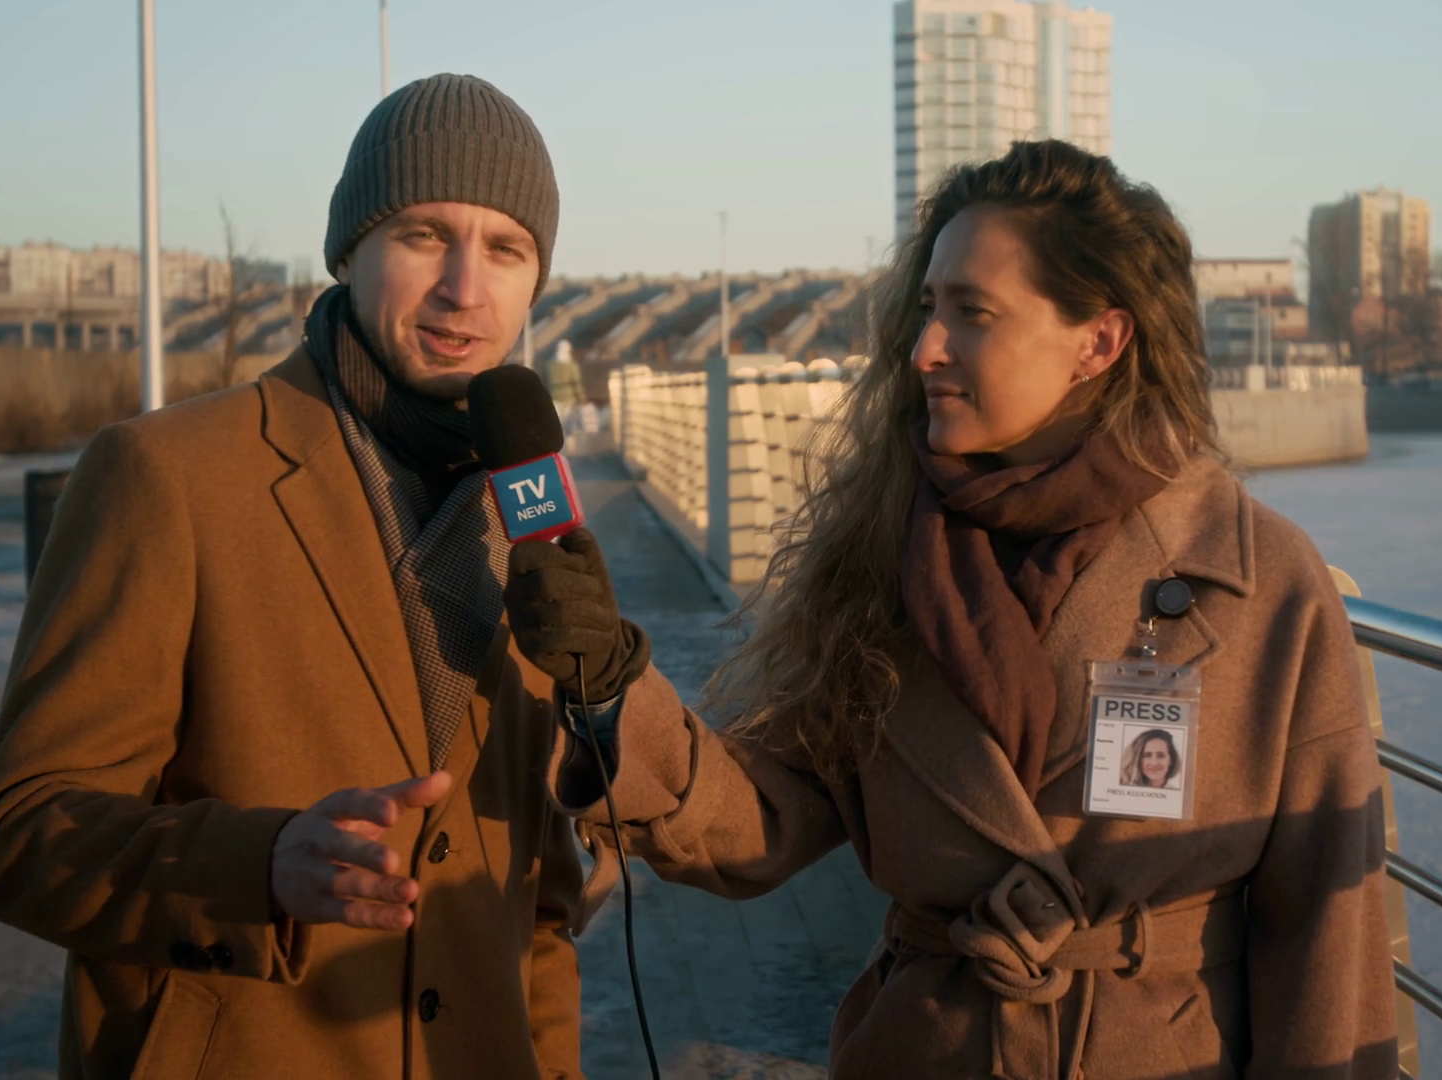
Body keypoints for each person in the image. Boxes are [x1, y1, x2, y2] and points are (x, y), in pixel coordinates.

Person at [507, 138, 1396, 1079]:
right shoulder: (881, 561)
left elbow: (1326, 937)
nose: (924, 348)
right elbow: (764, 815)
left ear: (1098, 342)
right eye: (929, 307)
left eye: (972, 313)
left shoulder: (1261, 583)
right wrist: (614, 689)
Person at [0, 74, 618, 1079]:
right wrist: (255, 866)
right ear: (349, 249)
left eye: (505, 248)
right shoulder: (168, 475)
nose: (464, 287)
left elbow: (539, 903)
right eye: (422, 235)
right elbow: (20, 836)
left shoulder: (531, 514)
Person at [546, 338, 586, 434]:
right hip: (569, 399)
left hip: (554, 396)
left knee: (557, 424)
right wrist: (582, 398)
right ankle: (569, 441)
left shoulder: (551, 365)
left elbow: (547, 380)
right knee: (569, 424)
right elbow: (576, 383)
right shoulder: (571, 365)